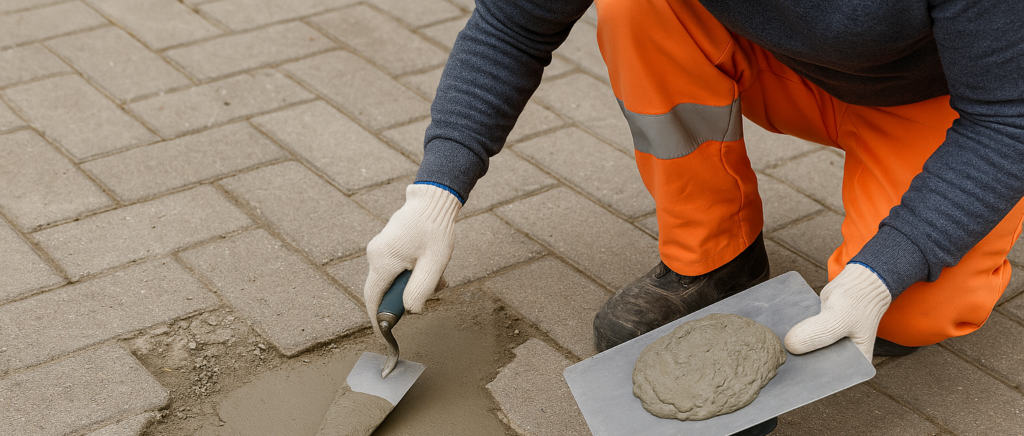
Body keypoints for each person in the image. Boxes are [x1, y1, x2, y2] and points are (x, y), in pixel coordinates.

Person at [363, 0, 1024, 361]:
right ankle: (715, 255)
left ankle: (904, 271)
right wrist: (435, 195)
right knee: (638, 9)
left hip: (936, 101)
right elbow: (513, 23)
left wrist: (883, 270)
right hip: (781, 62)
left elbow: (1006, 117)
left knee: (910, 314)